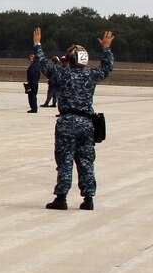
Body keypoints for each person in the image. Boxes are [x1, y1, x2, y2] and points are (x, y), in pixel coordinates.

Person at [32, 27, 114, 211]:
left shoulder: (63, 73)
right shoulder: (91, 75)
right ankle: (88, 199)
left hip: (67, 122)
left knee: (65, 160)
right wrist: (106, 48)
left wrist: (38, 45)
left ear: (69, 59)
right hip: (87, 124)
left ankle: (61, 198)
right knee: (86, 161)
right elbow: (107, 67)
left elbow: (44, 64)